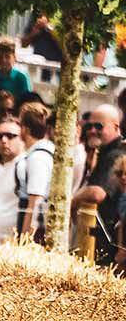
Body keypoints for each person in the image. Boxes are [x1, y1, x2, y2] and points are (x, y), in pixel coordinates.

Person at [71, 104, 125, 266]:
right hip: (97, 242)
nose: (92, 130)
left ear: (116, 127)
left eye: (99, 126)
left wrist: (72, 202)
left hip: (109, 249)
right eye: (89, 126)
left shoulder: (117, 154)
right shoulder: (103, 153)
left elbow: (97, 193)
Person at [15, 101, 55, 242]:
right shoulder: (36, 154)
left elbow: (35, 203)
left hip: (35, 229)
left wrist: (26, 239)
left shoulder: (38, 158)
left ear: (25, 129)